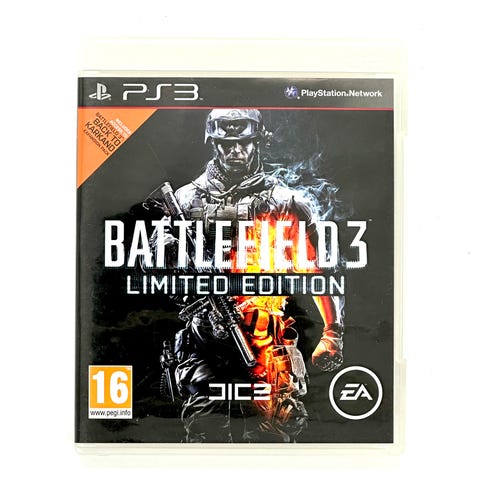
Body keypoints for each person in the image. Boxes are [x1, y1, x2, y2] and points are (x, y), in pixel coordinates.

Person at [147, 109, 344, 442]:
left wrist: (333, 330)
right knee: (204, 438)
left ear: (258, 142)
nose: (235, 150)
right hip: (206, 342)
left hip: (266, 342)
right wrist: (163, 249)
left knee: (272, 440)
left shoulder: (284, 201)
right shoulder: (185, 200)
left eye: (244, 142)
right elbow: (152, 267)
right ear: (213, 144)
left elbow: (319, 269)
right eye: (226, 144)